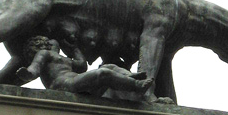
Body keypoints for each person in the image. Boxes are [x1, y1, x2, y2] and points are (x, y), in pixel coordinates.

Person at [16, 36, 153, 97]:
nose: (54, 42)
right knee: (102, 73)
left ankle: (129, 77)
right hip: (63, 85)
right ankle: (136, 86)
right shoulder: (44, 54)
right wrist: (28, 74)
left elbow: (82, 66)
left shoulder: (63, 59)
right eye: (50, 41)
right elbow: (35, 68)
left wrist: (74, 48)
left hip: (78, 83)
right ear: (43, 45)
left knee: (109, 66)